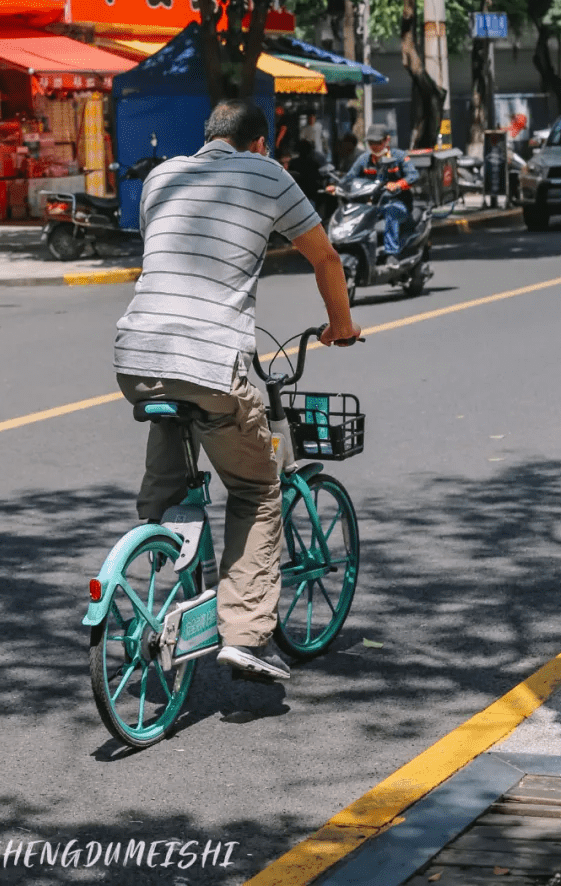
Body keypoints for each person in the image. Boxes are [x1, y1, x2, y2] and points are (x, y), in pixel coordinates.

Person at [114, 99, 361, 686]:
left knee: (173, 463)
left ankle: (162, 559)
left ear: (209, 136)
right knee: (256, 488)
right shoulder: (267, 173)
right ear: (260, 143)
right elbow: (325, 257)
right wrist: (341, 326)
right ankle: (246, 634)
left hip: (136, 356)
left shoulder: (163, 176)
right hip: (209, 359)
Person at [340, 122, 418, 262]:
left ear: (387, 140)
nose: (374, 146)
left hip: (398, 203)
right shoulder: (364, 159)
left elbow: (413, 176)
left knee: (391, 212)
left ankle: (392, 254)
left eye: (378, 142)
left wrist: (398, 184)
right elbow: (349, 177)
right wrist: (336, 186)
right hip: (372, 205)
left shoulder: (399, 156)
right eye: (371, 143)